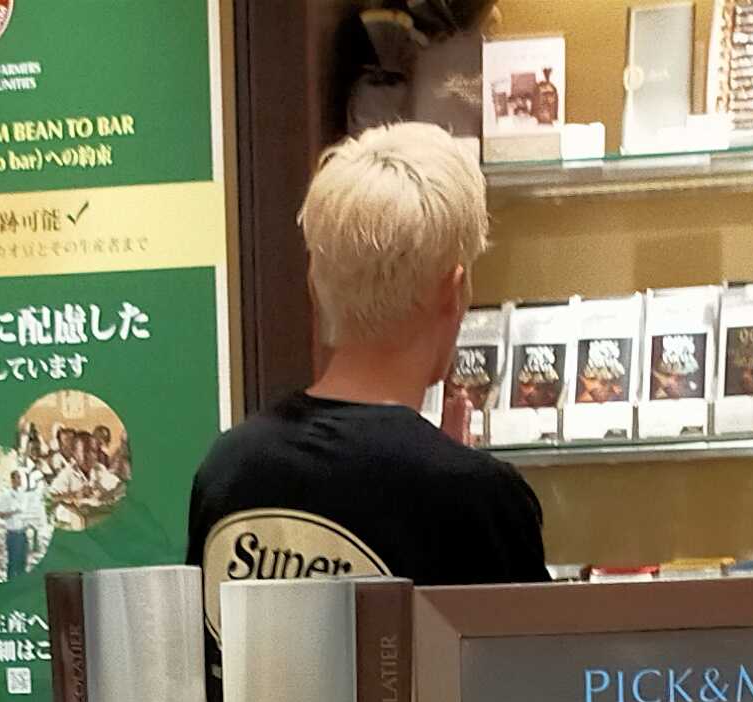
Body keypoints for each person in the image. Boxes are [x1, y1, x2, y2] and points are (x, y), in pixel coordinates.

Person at [186, 123, 548, 633]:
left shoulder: (228, 468)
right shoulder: (483, 500)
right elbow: (525, 672)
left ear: (315, 283)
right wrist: (455, 474)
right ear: (453, 289)